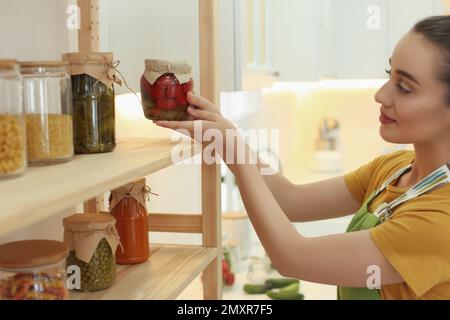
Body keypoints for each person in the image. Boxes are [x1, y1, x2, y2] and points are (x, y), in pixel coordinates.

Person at [155, 15, 450, 300]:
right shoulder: (393, 169)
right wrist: (230, 137)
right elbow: (290, 201)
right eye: (390, 75)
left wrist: (236, 154)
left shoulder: (441, 219)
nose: (381, 95)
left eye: (405, 87)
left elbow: (292, 257)